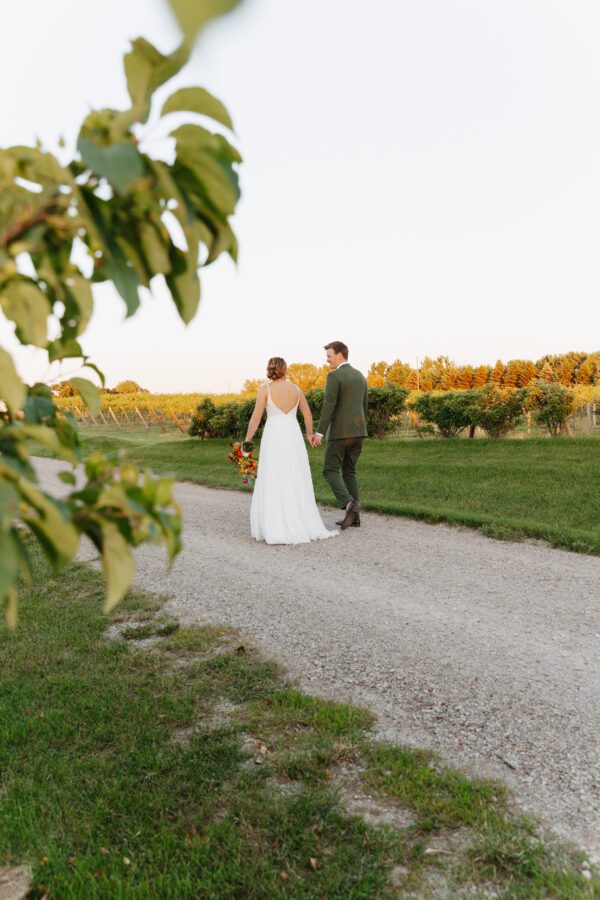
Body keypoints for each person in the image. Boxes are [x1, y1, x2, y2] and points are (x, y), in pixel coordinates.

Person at [244, 357, 338, 545]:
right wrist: (309, 434)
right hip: (293, 436)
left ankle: (275, 525)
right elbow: (307, 414)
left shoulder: (265, 390)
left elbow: (255, 418)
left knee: (274, 475)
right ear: (285, 370)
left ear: (269, 369)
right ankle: (300, 520)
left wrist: (247, 440)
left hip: (274, 437)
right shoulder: (296, 389)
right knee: (294, 474)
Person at [310, 341, 368, 529]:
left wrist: (319, 432)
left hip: (340, 433)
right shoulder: (360, 376)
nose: (327, 360)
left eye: (329, 356)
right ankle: (355, 518)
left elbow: (329, 406)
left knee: (329, 470)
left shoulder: (334, 377)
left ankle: (349, 504)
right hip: (359, 432)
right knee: (349, 471)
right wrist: (360, 427)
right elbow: (364, 406)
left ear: (340, 355)